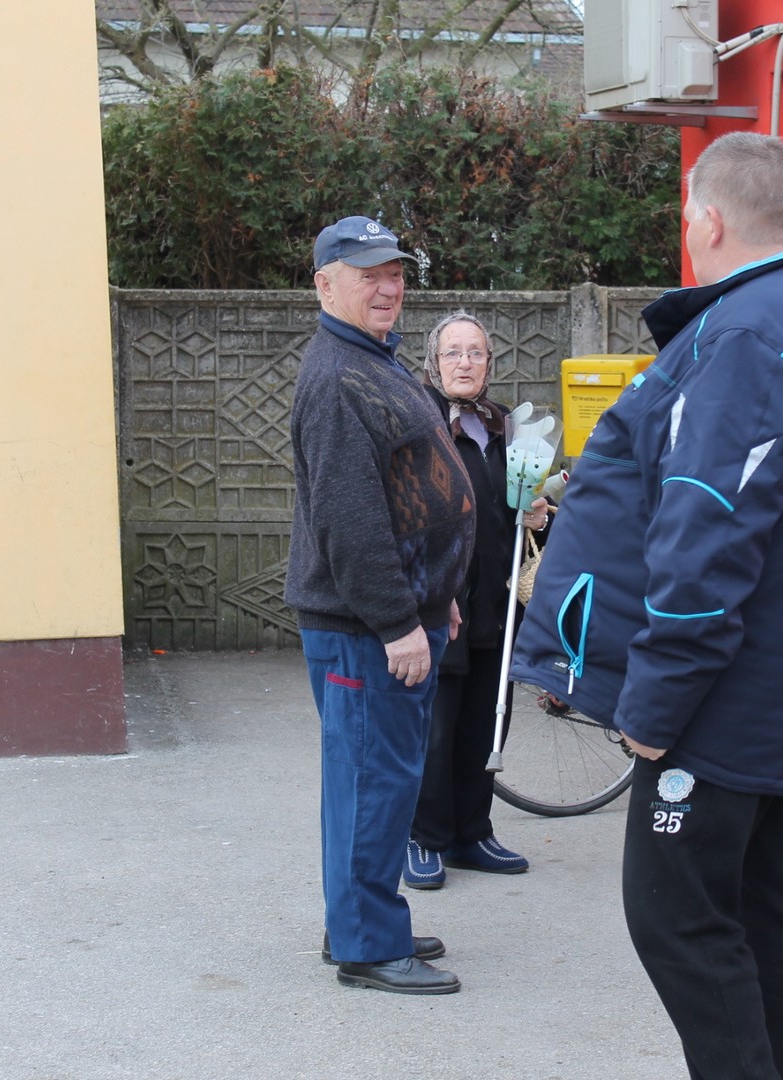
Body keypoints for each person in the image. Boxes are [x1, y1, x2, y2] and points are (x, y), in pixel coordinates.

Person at [509, 132, 783, 1077]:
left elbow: (707, 529)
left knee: (677, 917)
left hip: (719, 707)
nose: (687, 235)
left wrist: (654, 710)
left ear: (710, 221)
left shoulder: (751, 335)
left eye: (685, 219)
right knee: (756, 912)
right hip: (774, 699)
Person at [285, 215, 476, 996]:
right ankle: (366, 945)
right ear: (325, 284)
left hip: (399, 615)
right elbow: (351, 523)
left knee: (372, 783)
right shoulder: (335, 378)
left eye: (394, 273)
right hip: (368, 630)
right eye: (368, 274)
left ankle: (363, 920)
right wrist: (400, 621)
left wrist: (441, 597)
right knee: (372, 784)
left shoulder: (371, 361)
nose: (388, 287)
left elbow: (402, 496)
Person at [404, 313, 548, 890]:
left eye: (476, 353)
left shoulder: (506, 424)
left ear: (489, 363)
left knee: (490, 720)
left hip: (496, 596)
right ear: (433, 362)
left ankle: (472, 832)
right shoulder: (418, 423)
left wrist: (536, 510)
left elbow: (516, 504)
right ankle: (422, 837)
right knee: (436, 726)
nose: (465, 362)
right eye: (453, 353)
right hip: (440, 598)